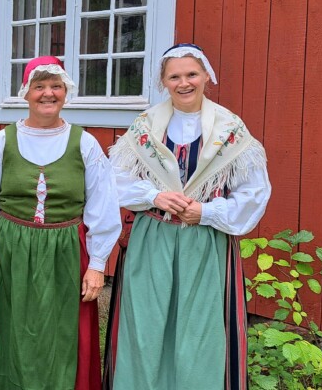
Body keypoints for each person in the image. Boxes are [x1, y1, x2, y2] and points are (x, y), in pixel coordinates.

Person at [103, 44, 271, 390]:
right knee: (145, 326)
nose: (184, 83)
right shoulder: (144, 128)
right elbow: (113, 181)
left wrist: (206, 211)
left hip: (205, 242)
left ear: (206, 76)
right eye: (174, 76)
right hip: (153, 239)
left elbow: (254, 193)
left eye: (191, 74)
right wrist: (153, 194)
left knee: (201, 329)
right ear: (163, 81)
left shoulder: (231, 131)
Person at [0, 56, 120, 390]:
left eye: (55, 86)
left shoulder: (85, 143)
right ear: (26, 93)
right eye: (40, 86)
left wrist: (96, 264)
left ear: (66, 92)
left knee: (63, 327)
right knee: (12, 324)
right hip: (12, 248)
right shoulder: (2, 142)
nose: (48, 94)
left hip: (65, 249)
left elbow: (103, 206)